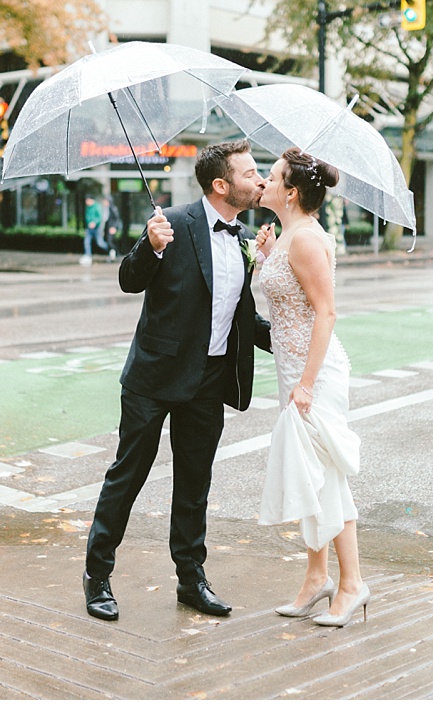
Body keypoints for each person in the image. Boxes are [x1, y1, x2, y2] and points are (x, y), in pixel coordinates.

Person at [84, 139, 273, 622]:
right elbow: (129, 280)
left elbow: (238, 315)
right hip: (154, 376)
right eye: (251, 174)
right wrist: (149, 247)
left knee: (194, 484)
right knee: (128, 476)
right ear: (220, 184)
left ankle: (191, 579)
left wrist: (295, 339)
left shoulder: (245, 237)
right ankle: (97, 574)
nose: (261, 180)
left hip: (208, 380)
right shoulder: (171, 223)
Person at [253, 147, 368, 628]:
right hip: (293, 371)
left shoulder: (304, 241)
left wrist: (306, 382)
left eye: (273, 175)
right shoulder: (288, 237)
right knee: (309, 474)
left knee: (327, 477)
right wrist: (263, 256)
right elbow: (282, 300)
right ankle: (317, 576)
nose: (264, 180)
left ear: (291, 191)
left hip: (313, 375)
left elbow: (327, 313)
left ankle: (352, 583)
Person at [82, 195, 108, 263]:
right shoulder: (88, 207)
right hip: (89, 228)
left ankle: (109, 249)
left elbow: (99, 217)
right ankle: (87, 255)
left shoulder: (97, 206)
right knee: (86, 242)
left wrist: (94, 223)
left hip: (97, 228)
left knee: (100, 243)